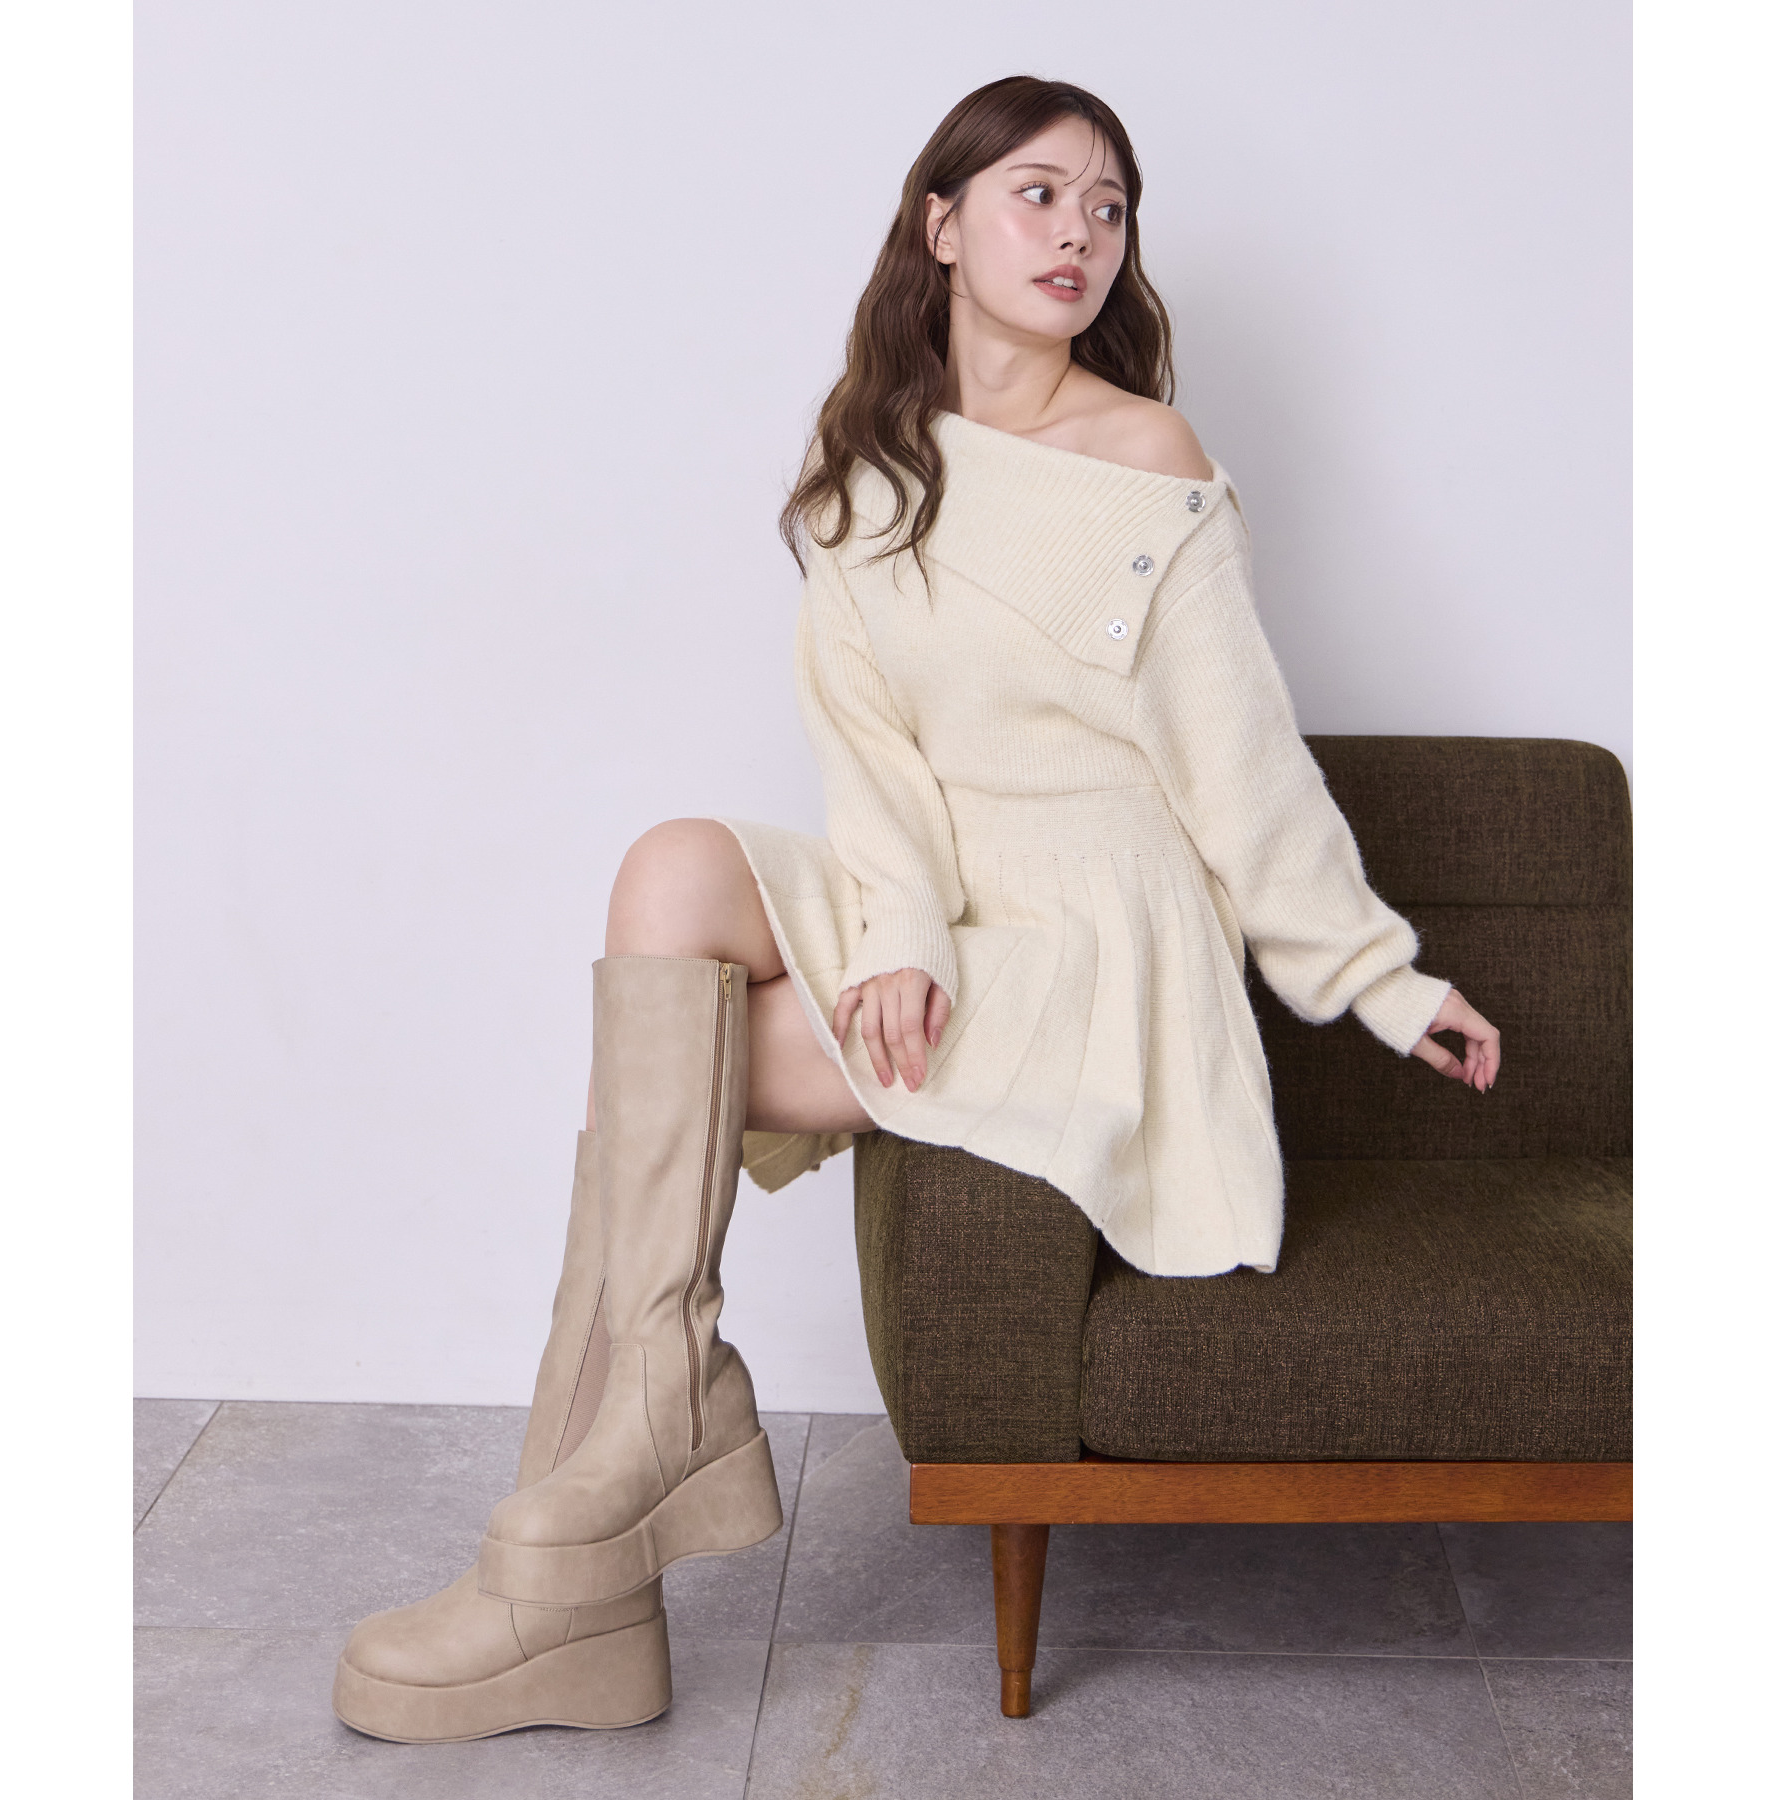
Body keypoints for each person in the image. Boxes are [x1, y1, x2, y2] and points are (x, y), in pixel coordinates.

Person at [332, 74, 1502, 1742]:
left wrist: (1385, 981)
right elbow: (872, 768)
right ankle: (608, 1503)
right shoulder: (866, 476)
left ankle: (569, 1558)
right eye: (1041, 193)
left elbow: (1244, 772)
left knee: (677, 1077)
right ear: (942, 225)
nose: (1081, 232)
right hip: (945, 890)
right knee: (670, 869)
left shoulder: (1146, 458)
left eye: (1110, 207)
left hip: (1097, 949)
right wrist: (898, 938)